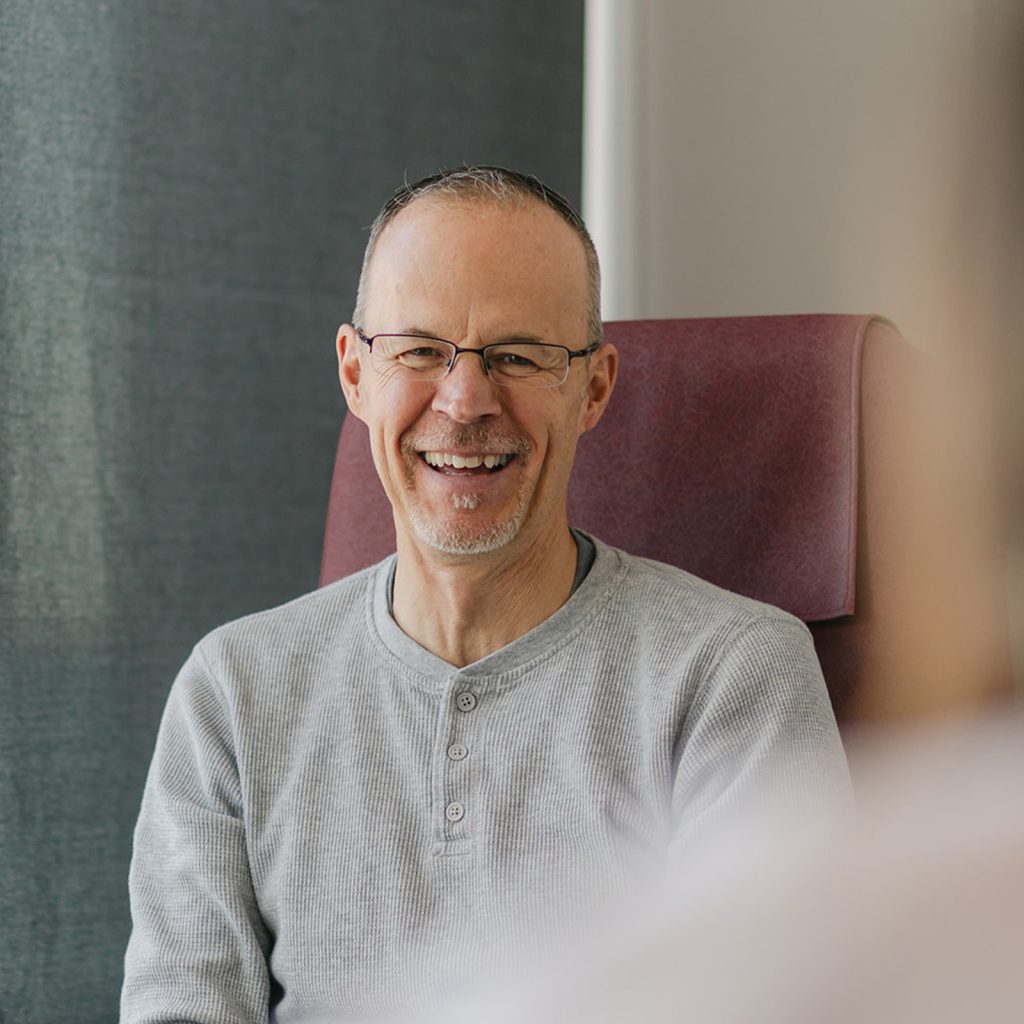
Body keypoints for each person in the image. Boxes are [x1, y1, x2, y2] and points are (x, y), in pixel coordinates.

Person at [121, 166, 848, 1023]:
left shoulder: (734, 677)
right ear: (355, 373)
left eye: (518, 356)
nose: (465, 402)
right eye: (419, 350)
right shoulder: (232, 694)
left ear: (594, 388)